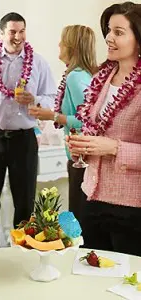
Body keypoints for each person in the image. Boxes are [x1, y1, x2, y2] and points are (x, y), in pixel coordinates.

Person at [0, 12, 57, 248]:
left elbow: (51, 98)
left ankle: (22, 252)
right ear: (2, 34)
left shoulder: (39, 63)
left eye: (22, 31)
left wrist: (35, 99)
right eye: (13, 31)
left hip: (24, 138)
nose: (18, 36)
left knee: (24, 201)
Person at [68, 2, 141, 256]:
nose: (109, 37)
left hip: (131, 207)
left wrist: (113, 148)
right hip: (90, 198)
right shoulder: (102, 78)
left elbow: (110, 144)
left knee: (127, 287)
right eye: (109, 30)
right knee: (90, 278)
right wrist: (82, 148)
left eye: (119, 32)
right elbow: (92, 130)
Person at [29, 25, 98, 225]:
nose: (59, 45)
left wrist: (52, 116)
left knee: (78, 220)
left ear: (72, 47)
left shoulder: (76, 77)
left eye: (63, 41)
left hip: (81, 160)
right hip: (81, 157)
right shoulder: (82, 74)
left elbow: (85, 120)